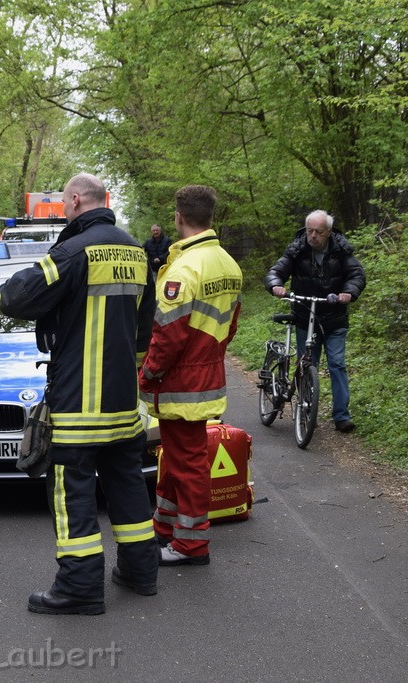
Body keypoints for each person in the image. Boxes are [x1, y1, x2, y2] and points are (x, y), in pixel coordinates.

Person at [0, 173, 158, 616]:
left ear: (73, 200)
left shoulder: (71, 252)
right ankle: (141, 573)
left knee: (73, 496)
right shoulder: (138, 252)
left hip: (77, 406)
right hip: (125, 403)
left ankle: (80, 588)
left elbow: (12, 299)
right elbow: (145, 329)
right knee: (128, 487)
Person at [139, 185, 242, 567]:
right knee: (178, 459)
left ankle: (191, 545)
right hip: (206, 373)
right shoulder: (228, 263)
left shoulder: (184, 268)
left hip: (179, 382)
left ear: (179, 218)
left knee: (188, 463)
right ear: (210, 218)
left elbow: (168, 334)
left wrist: (148, 373)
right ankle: (165, 527)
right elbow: (229, 325)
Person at [264, 210, 366, 433]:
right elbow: (277, 270)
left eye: (318, 232)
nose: (313, 236)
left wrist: (349, 292)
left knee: (337, 364)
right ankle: (306, 409)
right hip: (304, 316)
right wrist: (275, 284)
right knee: (306, 365)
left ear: (328, 232)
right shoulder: (298, 248)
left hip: (334, 318)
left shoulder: (341, 250)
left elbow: (357, 275)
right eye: (310, 230)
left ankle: (342, 416)